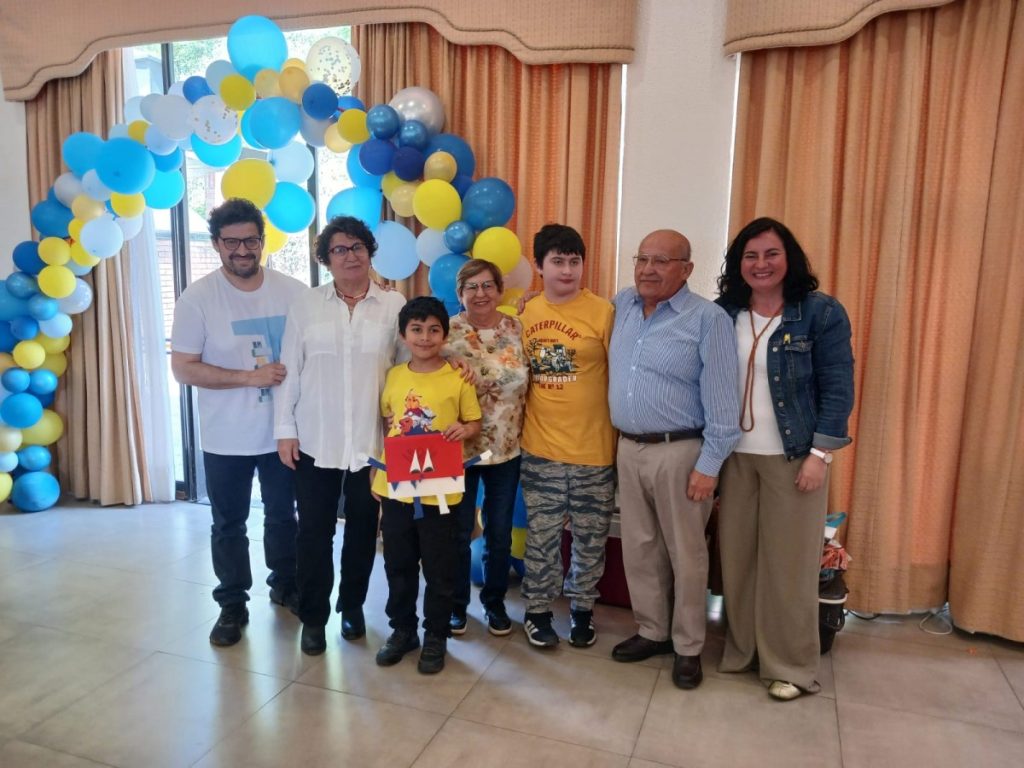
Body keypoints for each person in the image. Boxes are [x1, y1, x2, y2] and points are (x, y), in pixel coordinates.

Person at [715, 217, 854, 701]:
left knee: (789, 567)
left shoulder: (820, 313)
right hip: (734, 458)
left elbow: (838, 389)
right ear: (738, 264)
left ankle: (790, 667)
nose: (761, 264)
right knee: (738, 561)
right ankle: (744, 651)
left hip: (794, 458)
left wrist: (820, 454)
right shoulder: (724, 313)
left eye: (771, 254)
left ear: (789, 258)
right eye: (750, 256)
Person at [608, 229, 741, 690]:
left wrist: (710, 465)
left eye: (662, 261)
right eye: (642, 258)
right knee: (640, 546)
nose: (648, 269)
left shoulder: (708, 319)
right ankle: (652, 631)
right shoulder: (623, 305)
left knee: (686, 554)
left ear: (687, 269)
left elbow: (724, 401)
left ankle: (688, 646)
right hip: (628, 447)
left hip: (681, 452)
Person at [171, 198, 306, 647]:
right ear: (216, 244)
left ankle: (285, 585)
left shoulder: (294, 293)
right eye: (232, 242)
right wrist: (250, 378)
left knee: (284, 517)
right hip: (225, 437)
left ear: (263, 241)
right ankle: (232, 603)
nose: (242, 250)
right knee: (228, 523)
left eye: (250, 240)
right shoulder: (198, 299)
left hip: (284, 433)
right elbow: (183, 368)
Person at [274, 216, 407, 656]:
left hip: (373, 445)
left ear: (369, 252)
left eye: (357, 247)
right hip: (315, 440)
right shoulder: (306, 305)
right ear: (326, 259)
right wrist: (284, 430)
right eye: (339, 249)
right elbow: (290, 370)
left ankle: (352, 606)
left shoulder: (393, 304)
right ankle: (313, 617)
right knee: (313, 533)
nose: (350, 256)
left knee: (364, 532)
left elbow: (409, 368)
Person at [371, 296, 482, 674]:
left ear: (444, 335)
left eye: (434, 330)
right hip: (397, 487)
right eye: (416, 329)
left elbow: (473, 423)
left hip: (440, 490)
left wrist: (464, 429)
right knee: (398, 563)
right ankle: (403, 630)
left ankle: (436, 634)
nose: (424, 337)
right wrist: (378, 473)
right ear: (403, 335)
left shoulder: (457, 377)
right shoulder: (393, 376)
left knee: (439, 566)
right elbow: (388, 424)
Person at [518, 224, 616, 649]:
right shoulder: (522, 315)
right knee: (542, 538)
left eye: (575, 261)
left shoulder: (604, 312)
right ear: (539, 266)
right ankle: (538, 612)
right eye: (557, 261)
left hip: (595, 450)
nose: (567, 270)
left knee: (590, 540)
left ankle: (582, 611)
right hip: (541, 448)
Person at [447, 259, 529, 637]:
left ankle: (494, 602)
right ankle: (456, 606)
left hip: (506, 448)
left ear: (499, 290)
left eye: (487, 286)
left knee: (499, 531)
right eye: (471, 287)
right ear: (460, 293)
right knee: (458, 532)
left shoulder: (516, 327)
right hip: (459, 450)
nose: (480, 294)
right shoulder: (446, 331)